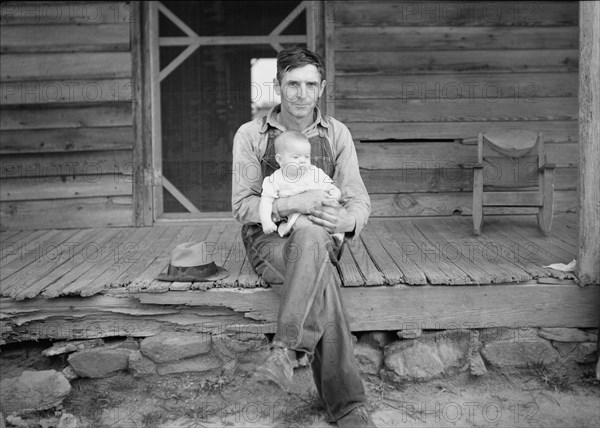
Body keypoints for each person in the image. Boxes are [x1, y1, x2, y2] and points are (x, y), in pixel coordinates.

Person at [232, 47, 375, 427]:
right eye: (292, 84)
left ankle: (284, 352)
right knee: (322, 275)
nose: (301, 93)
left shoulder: (337, 134)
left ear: (322, 88)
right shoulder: (251, 135)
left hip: (322, 237)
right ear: (279, 86)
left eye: (310, 84)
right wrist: (295, 201)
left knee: (314, 235)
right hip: (270, 241)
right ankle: (349, 407)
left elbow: (358, 197)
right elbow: (243, 205)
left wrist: (348, 221)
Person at [258, 130, 344, 245]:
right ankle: (326, 238)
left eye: (306, 156)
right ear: (280, 160)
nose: (302, 161)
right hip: (297, 216)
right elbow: (265, 202)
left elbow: (329, 186)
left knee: (335, 215)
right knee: (305, 225)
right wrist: (266, 221)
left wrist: (334, 192)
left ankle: (335, 235)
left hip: (322, 211)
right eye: (296, 157)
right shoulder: (275, 180)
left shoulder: (314, 172)